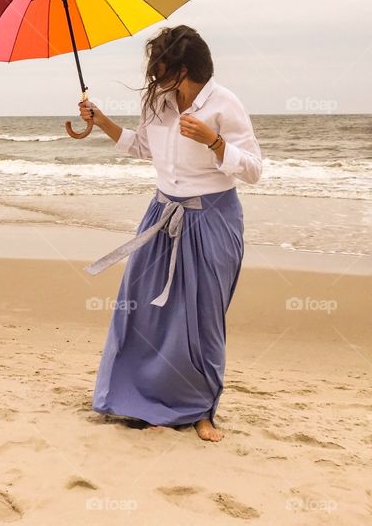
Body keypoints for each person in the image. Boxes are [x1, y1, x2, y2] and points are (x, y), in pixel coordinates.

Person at [78, 24, 262, 442]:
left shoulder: (225, 104)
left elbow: (253, 169)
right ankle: (140, 398)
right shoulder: (158, 103)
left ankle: (201, 412)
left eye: (161, 67)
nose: (153, 75)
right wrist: (100, 120)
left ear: (184, 69)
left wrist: (215, 142)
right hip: (161, 215)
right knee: (143, 308)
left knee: (201, 318)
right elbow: (143, 148)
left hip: (213, 219)